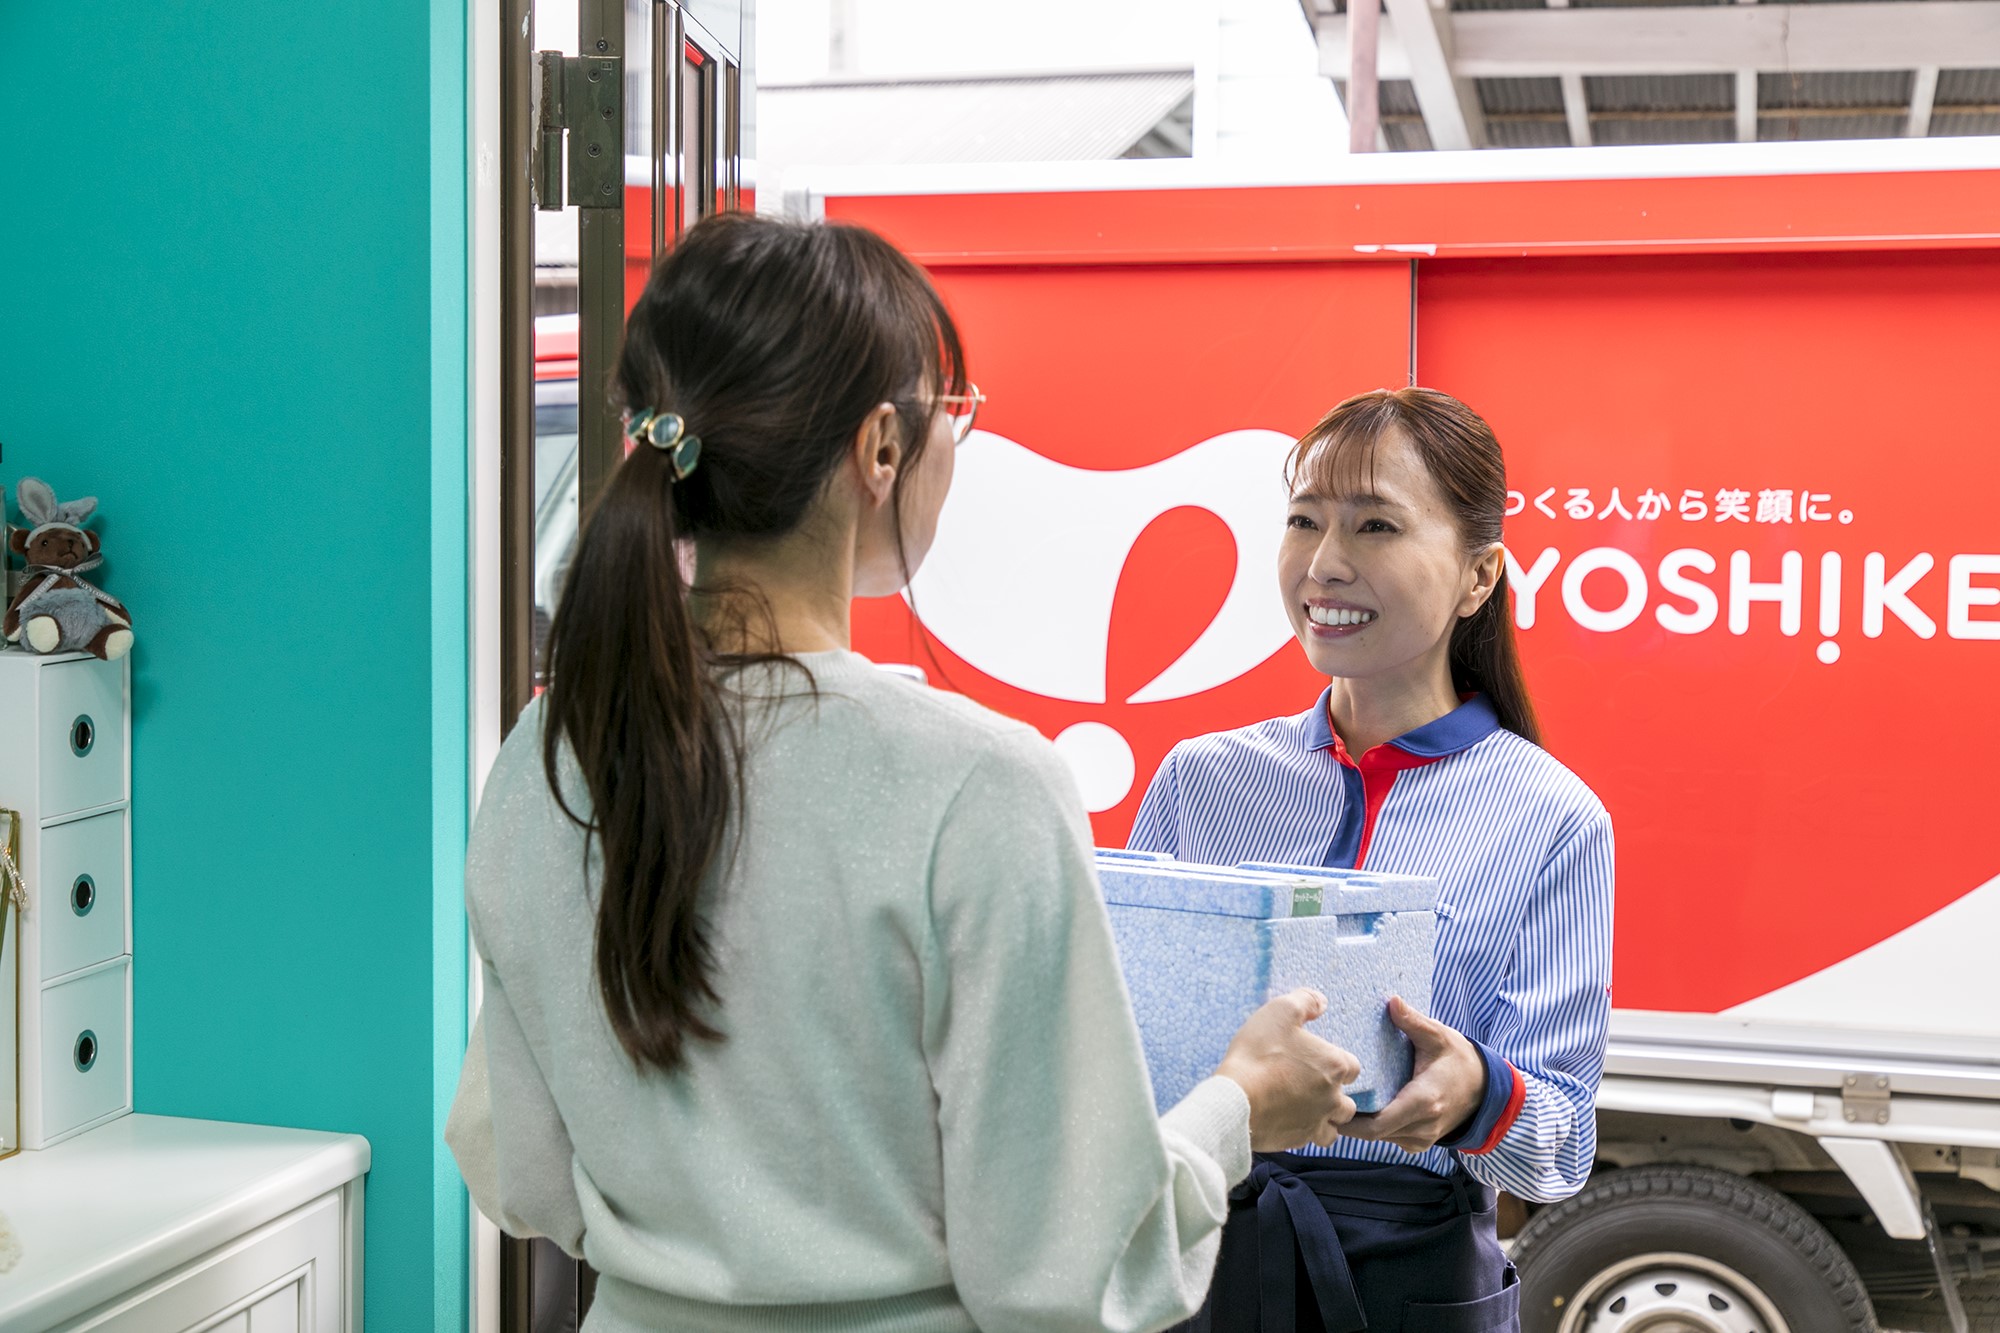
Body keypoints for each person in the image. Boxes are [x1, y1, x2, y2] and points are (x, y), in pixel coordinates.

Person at [446, 212, 1362, 1333]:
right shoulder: (975, 785)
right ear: (879, 447)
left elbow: (523, 1171)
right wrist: (1238, 1105)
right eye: (949, 418)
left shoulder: (546, 761)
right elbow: (1066, 1270)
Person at [1129, 388, 1614, 1333]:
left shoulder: (1552, 816)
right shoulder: (1203, 779)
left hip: (1410, 1289)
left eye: (1376, 525)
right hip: (1193, 1256)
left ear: (1479, 577)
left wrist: (1476, 1091)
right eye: (1303, 521)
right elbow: (1118, 1047)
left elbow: (1560, 1149)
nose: (1325, 564)